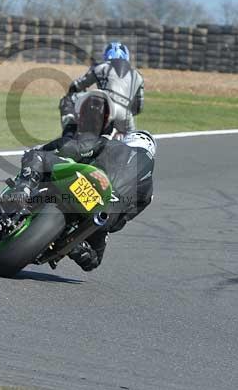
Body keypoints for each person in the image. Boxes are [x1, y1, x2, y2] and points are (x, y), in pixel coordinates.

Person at [8, 90, 155, 272]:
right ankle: (74, 245)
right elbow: (125, 217)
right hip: (104, 212)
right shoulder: (149, 189)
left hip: (87, 183)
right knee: (94, 260)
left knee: (38, 156)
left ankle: (24, 188)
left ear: (130, 140)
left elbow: (76, 150)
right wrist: (107, 225)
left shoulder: (113, 144)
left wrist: (55, 154)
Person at [59, 41, 145, 137]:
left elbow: (77, 85)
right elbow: (138, 108)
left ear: (106, 55)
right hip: (125, 116)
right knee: (132, 142)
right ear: (127, 56)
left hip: (104, 109)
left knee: (67, 100)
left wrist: (73, 92)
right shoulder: (138, 76)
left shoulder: (101, 67)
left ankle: (68, 134)